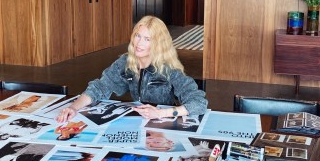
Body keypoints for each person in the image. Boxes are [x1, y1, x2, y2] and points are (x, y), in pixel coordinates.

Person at [56, 15, 208, 122]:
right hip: (140, 122)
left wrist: (161, 113)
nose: (139, 43)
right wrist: (73, 107)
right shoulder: (125, 62)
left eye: (147, 39)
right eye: (137, 36)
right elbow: (99, 87)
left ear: (158, 44)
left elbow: (199, 103)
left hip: (163, 124)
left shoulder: (168, 69)